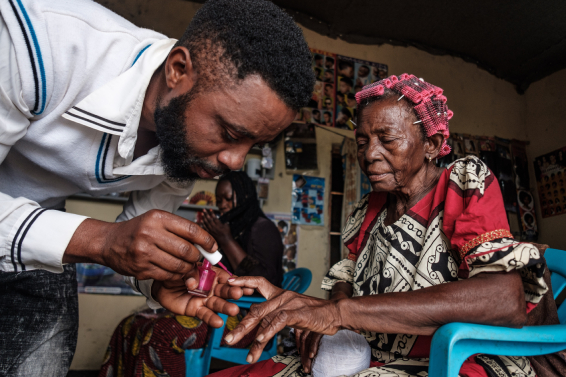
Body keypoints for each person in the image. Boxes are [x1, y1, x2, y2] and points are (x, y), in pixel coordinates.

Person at [0, 0, 314, 375]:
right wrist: (100, 240)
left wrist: (159, 279)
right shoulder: (40, 43)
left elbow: (134, 238)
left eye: (253, 147)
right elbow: (107, 241)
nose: (234, 161)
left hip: (37, 228)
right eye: (230, 133)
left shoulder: (185, 152)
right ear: (178, 70)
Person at [211, 75, 549, 377]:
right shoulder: (370, 208)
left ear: (430, 145)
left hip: (454, 361)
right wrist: (317, 315)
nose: (369, 154)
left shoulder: (462, 184)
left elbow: (503, 299)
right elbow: (345, 281)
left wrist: (340, 314)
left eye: (387, 139)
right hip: (372, 353)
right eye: (361, 142)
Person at [99, 171, 283, 377]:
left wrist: (226, 239)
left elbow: (267, 282)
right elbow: (215, 270)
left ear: (245, 195)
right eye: (219, 199)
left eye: (228, 198)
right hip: (218, 306)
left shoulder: (263, 228)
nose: (222, 205)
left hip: (247, 319)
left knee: (161, 333)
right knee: (130, 325)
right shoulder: (230, 227)